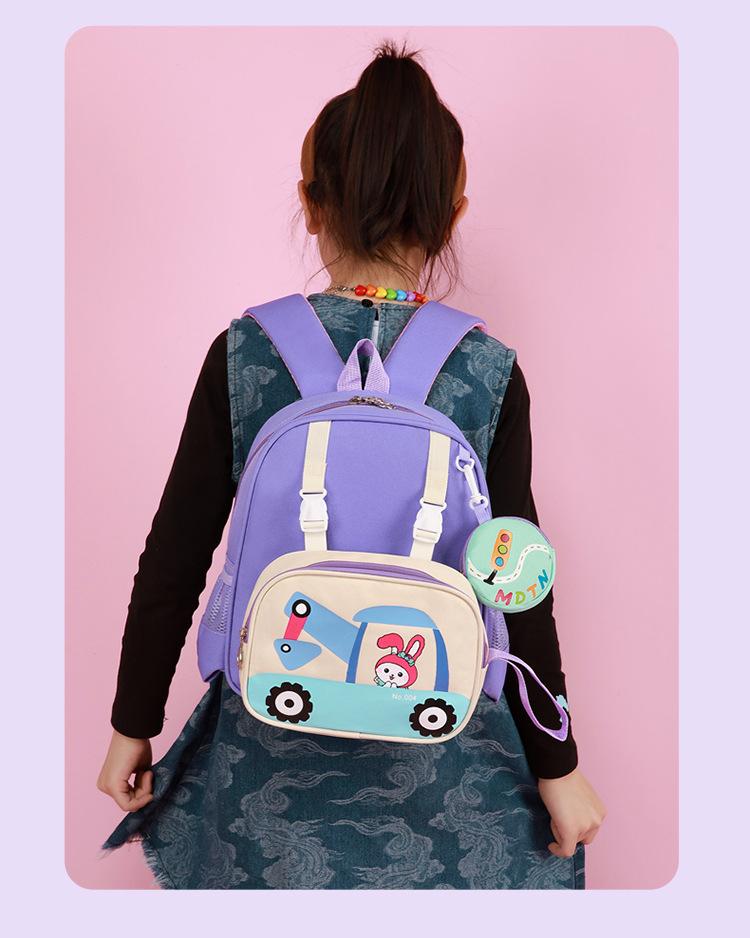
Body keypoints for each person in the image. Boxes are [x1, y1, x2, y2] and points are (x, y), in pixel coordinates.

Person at [97, 39, 606, 890]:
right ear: (452, 214)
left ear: (310, 203)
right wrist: (558, 766)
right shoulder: (487, 372)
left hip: (263, 755)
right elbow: (517, 582)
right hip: (446, 765)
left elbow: (175, 558)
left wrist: (131, 723)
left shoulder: (247, 354)